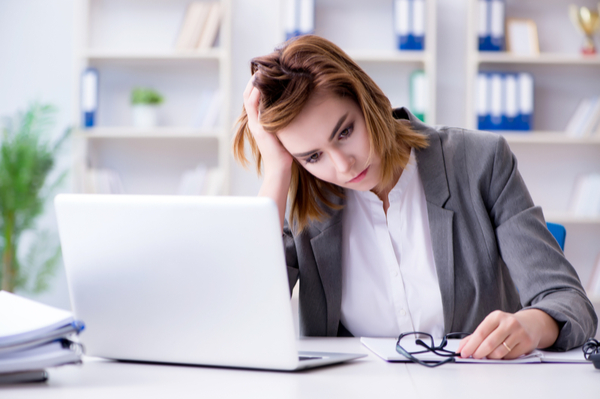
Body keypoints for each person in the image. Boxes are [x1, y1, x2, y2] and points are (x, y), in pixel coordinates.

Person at [232, 35, 597, 359]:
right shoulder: (301, 197)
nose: (343, 165)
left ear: (367, 100)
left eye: (345, 131)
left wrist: (532, 324)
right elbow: (244, 318)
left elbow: (571, 303)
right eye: (313, 156)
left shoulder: (479, 161)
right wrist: (278, 171)